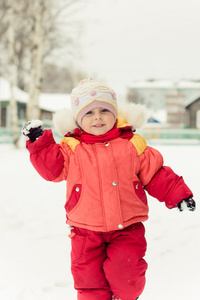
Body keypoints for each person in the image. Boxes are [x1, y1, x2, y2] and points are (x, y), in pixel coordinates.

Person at [22, 78, 196, 300]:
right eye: (89, 112)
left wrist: (178, 194)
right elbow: (52, 170)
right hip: (85, 231)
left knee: (128, 279)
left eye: (104, 110)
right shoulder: (71, 148)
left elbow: (155, 173)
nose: (97, 117)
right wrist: (40, 144)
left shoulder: (132, 144)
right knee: (89, 285)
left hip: (127, 228)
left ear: (114, 113)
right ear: (78, 119)